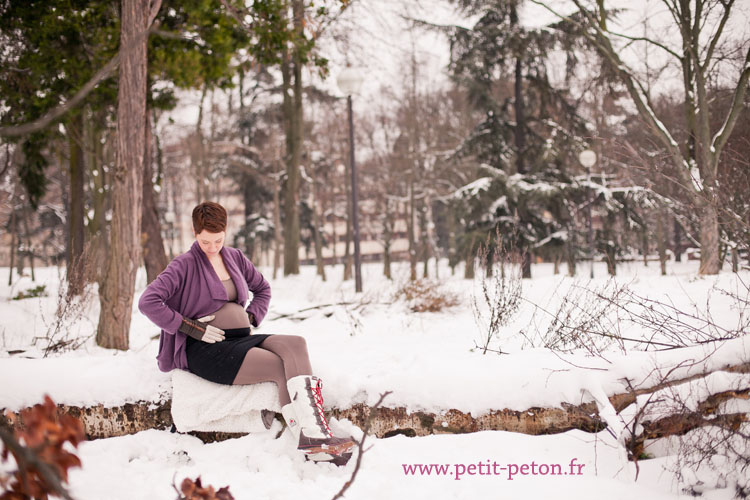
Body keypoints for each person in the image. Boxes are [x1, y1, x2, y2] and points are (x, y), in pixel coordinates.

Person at [138, 201, 354, 464]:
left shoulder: (235, 258)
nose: (212, 247)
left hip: (240, 339)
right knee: (277, 366)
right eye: (206, 241)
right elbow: (148, 301)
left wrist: (251, 316)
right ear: (195, 233)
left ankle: (317, 433)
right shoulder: (183, 265)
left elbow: (262, 289)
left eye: (218, 240)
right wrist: (190, 327)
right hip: (207, 350)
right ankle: (309, 441)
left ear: (225, 232)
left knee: (296, 343)